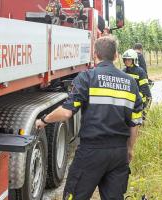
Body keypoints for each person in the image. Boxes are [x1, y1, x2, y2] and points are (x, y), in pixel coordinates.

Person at [35, 36, 143, 200]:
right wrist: (129, 148)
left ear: (95, 55)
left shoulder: (87, 78)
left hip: (91, 152)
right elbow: (135, 122)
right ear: (115, 56)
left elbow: (65, 112)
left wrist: (43, 121)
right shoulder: (130, 82)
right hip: (118, 153)